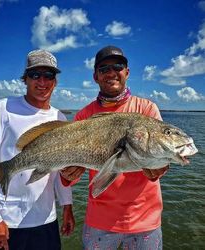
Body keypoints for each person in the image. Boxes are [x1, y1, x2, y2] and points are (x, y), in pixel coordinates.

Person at [60, 45, 169, 249]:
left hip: (145, 221)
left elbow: (159, 159)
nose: (111, 73)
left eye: (117, 66)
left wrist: (160, 167)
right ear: (95, 76)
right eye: (103, 69)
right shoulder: (84, 116)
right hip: (99, 221)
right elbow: (71, 176)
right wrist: (68, 174)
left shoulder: (147, 109)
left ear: (127, 72)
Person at [0, 49, 75, 250]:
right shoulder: (1, 109)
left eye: (48, 75)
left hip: (47, 222)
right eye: (35, 75)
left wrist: (67, 206)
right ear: (25, 79)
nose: (42, 81)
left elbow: (58, 170)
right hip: (6, 223)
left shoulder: (60, 119)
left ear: (55, 81)